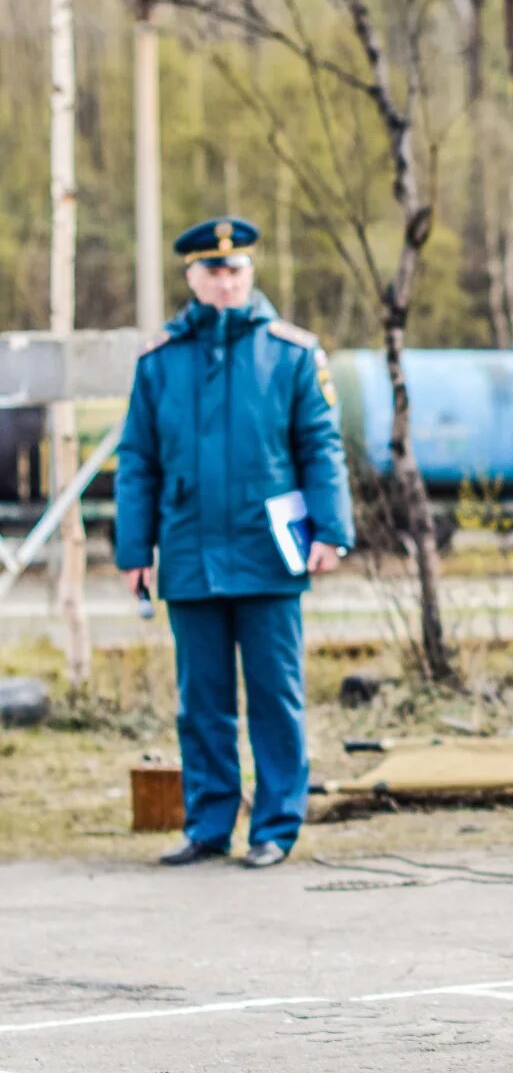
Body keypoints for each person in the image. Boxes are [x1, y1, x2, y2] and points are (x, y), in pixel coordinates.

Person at [113, 217, 354, 871]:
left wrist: (331, 530)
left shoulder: (291, 353)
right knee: (202, 701)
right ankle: (209, 823)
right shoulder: (160, 360)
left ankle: (275, 826)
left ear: (250, 273)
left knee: (275, 694)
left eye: (237, 268)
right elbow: (137, 459)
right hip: (189, 551)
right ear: (191, 277)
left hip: (269, 552)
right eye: (214, 270)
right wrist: (135, 549)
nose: (227, 280)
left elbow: (320, 446)